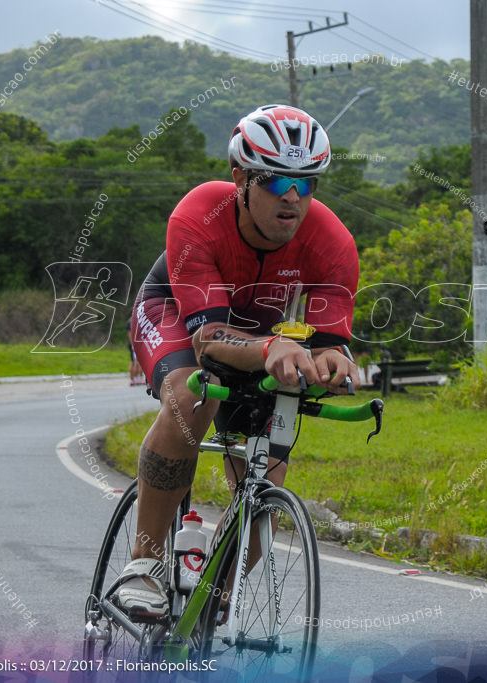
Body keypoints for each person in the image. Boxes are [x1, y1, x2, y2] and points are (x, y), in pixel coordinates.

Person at [117, 105, 361, 619]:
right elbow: (207, 339)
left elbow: (330, 341)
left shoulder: (333, 242)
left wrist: (334, 364)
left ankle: (209, 601)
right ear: (240, 178)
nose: (292, 197)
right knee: (193, 393)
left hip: (260, 333)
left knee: (265, 476)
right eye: (275, 181)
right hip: (175, 312)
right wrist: (273, 348)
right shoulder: (197, 213)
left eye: (306, 182)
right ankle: (144, 561)